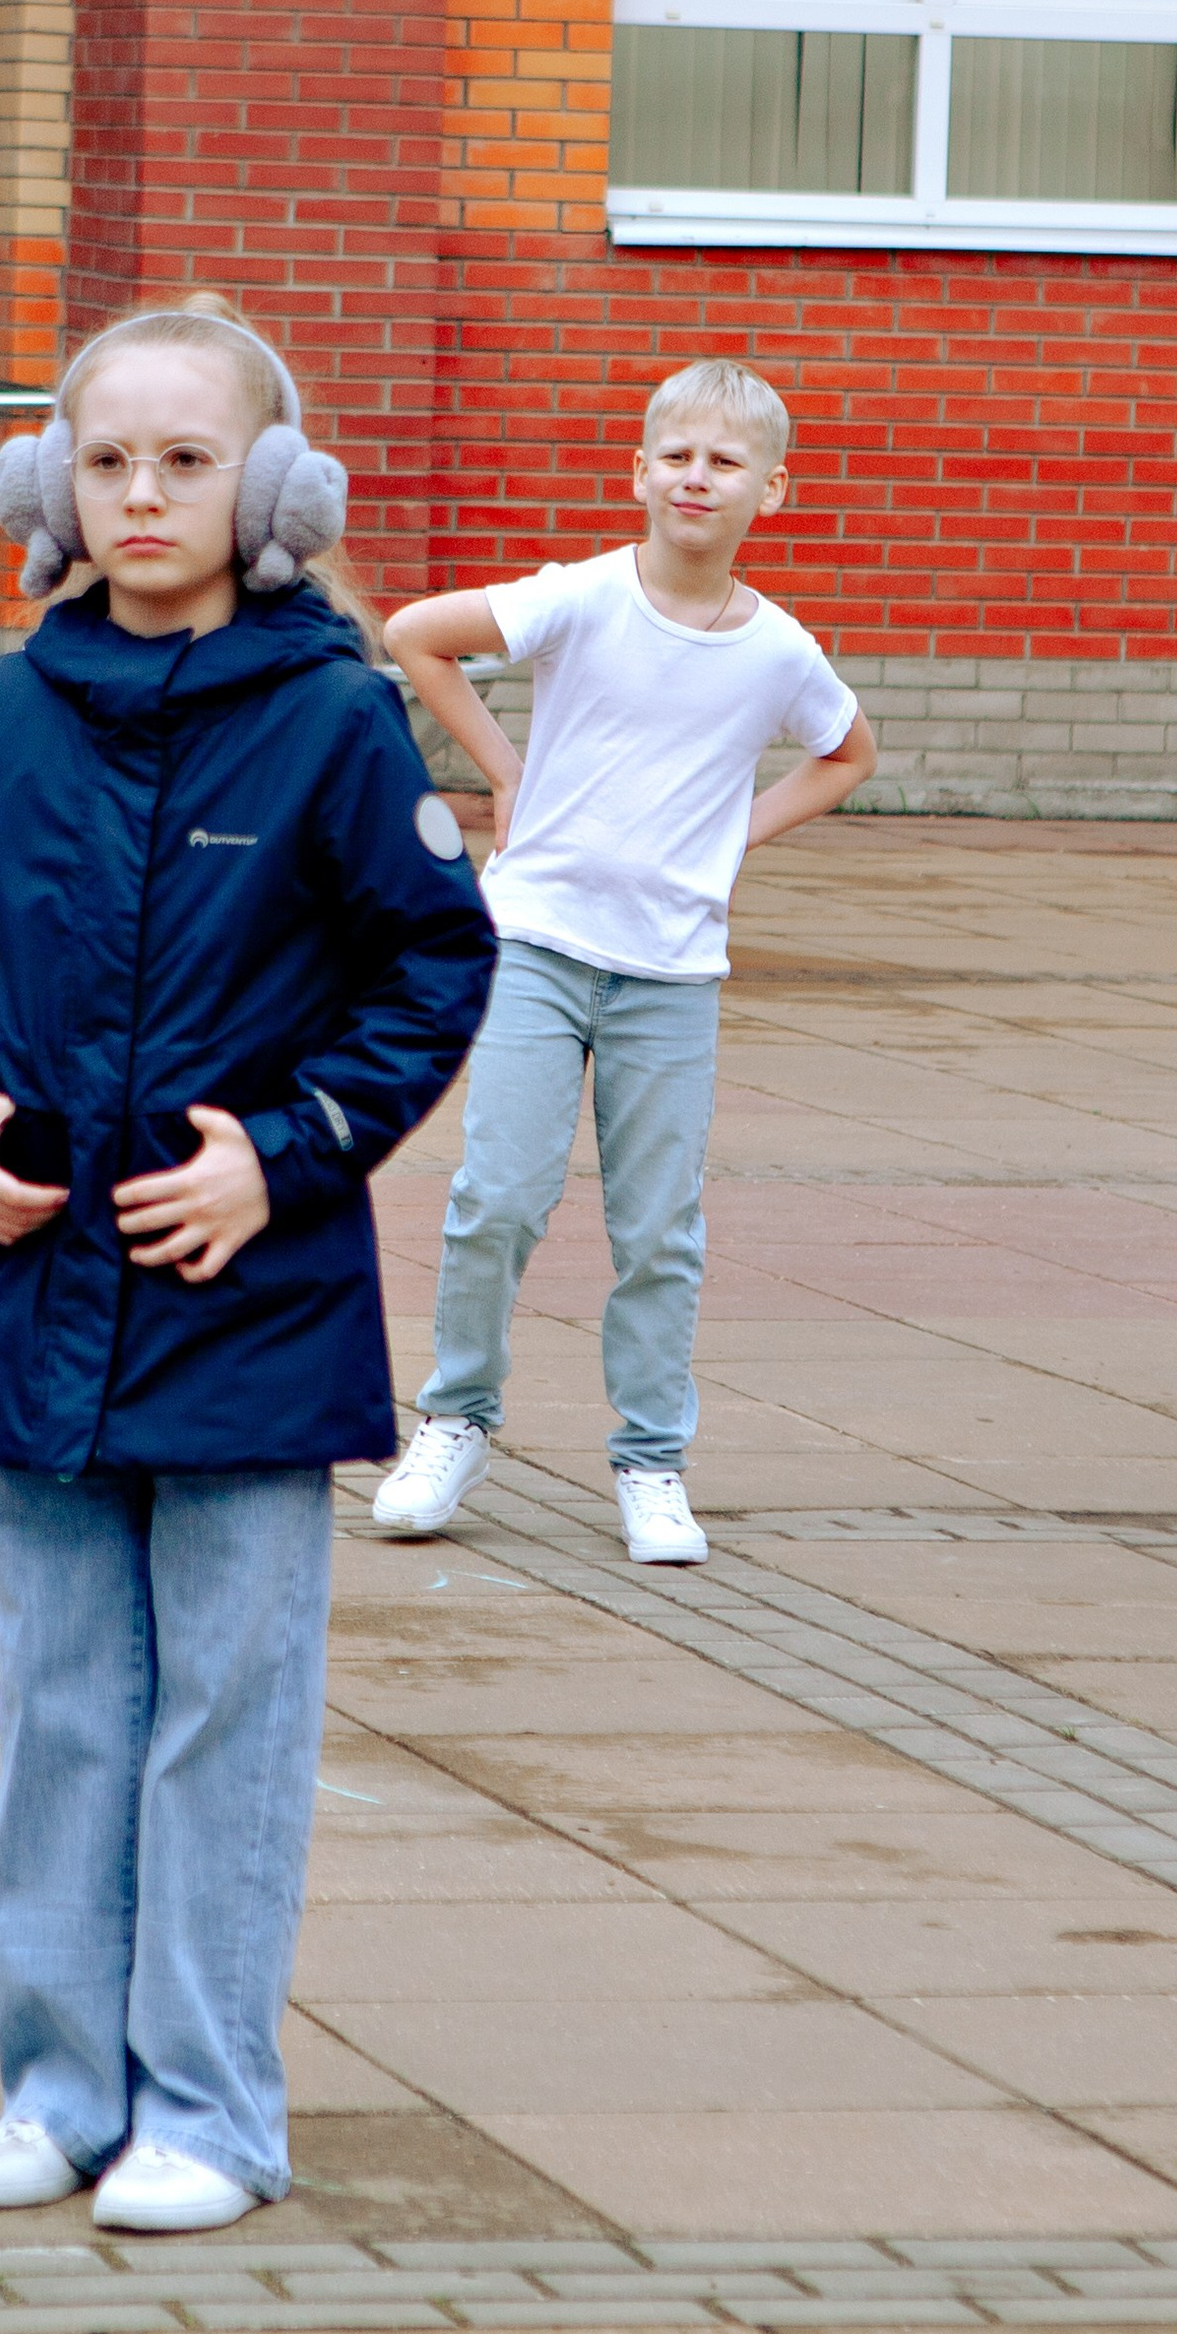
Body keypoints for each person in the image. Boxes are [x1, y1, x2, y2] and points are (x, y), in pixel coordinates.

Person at [0, 298, 494, 2236]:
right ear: (46, 486)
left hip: (251, 1305)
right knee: (63, 1707)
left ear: (274, 491)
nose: (140, 492)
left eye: (185, 459)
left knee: (224, 1721)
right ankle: (59, 2088)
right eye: (106, 459)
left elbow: (431, 963)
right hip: (47, 1297)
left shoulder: (330, 715)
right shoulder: (2, 710)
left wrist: (291, 1151)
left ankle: (210, 2110)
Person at [372, 357, 877, 1566]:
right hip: (536, 941)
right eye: (678, 455)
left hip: (671, 972)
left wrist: (728, 836)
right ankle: (454, 1418)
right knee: (497, 1196)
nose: (699, 477)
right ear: (639, 470)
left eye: (726, 461)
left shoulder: (778, 650)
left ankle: (652, 1460)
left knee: (658, 1227)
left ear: (774, 488)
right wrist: (507, 770)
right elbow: (412, 634)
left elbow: (849, 751)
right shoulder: (583, 596)